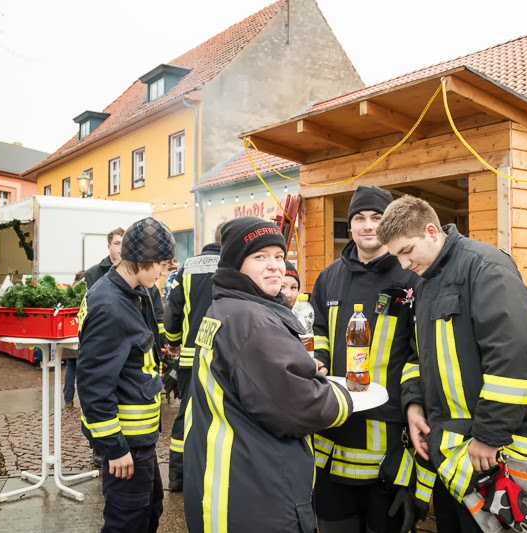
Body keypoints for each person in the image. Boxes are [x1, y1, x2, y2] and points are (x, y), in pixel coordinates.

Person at [376, 196, 527, 533]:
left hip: (495, 454)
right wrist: (413, 405)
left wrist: (489, 435)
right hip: (452, 457)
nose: (403, 264)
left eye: (406, 251)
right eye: (396, 256)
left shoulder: (486, 267)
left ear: (431, 231)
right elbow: (420, 354)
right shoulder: (424, 281)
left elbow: (516, 355)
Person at [184, 216, 354, 532]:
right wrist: (345, 397)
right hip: (256, 494)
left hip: (228, 481)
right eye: (260, 257)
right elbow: (300, 407)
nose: (275, 265)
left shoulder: (226, 309)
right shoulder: (253, 321)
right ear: (237, 265)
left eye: (278, 255)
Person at [309, 185, 420, 533]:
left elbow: (421, 352)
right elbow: (319, 330)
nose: (367, 225)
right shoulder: (329, 277)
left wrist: (413, 405)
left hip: (388, 437)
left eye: (377, 217)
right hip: (333, 429)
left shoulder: (411, 276)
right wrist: (320, 361)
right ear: (350, 225)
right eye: (360, 217)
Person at [77, 217, 174, 533]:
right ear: (141, 260)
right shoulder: (110, 305)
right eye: (160, 264)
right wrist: (115, 448)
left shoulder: (135, 292)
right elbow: (93, 386)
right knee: (127, 523)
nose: (163, 272)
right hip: (126, 444)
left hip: (140, 440)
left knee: (149, 512)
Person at [163, 223, 222, 492]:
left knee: (186, 416)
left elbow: (173, 311)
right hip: (223, 359)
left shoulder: (188, 266)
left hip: (190, 358)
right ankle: (213, 472)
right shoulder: (236, 265)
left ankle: (178, 476)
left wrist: (173, 343)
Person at [62, 269, 86, 409]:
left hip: (68, 334)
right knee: (82, 369)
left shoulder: (68, 291)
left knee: (70, 367)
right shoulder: (85, 292)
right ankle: (84, 400)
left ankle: (68, 399)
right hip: (80, 335)